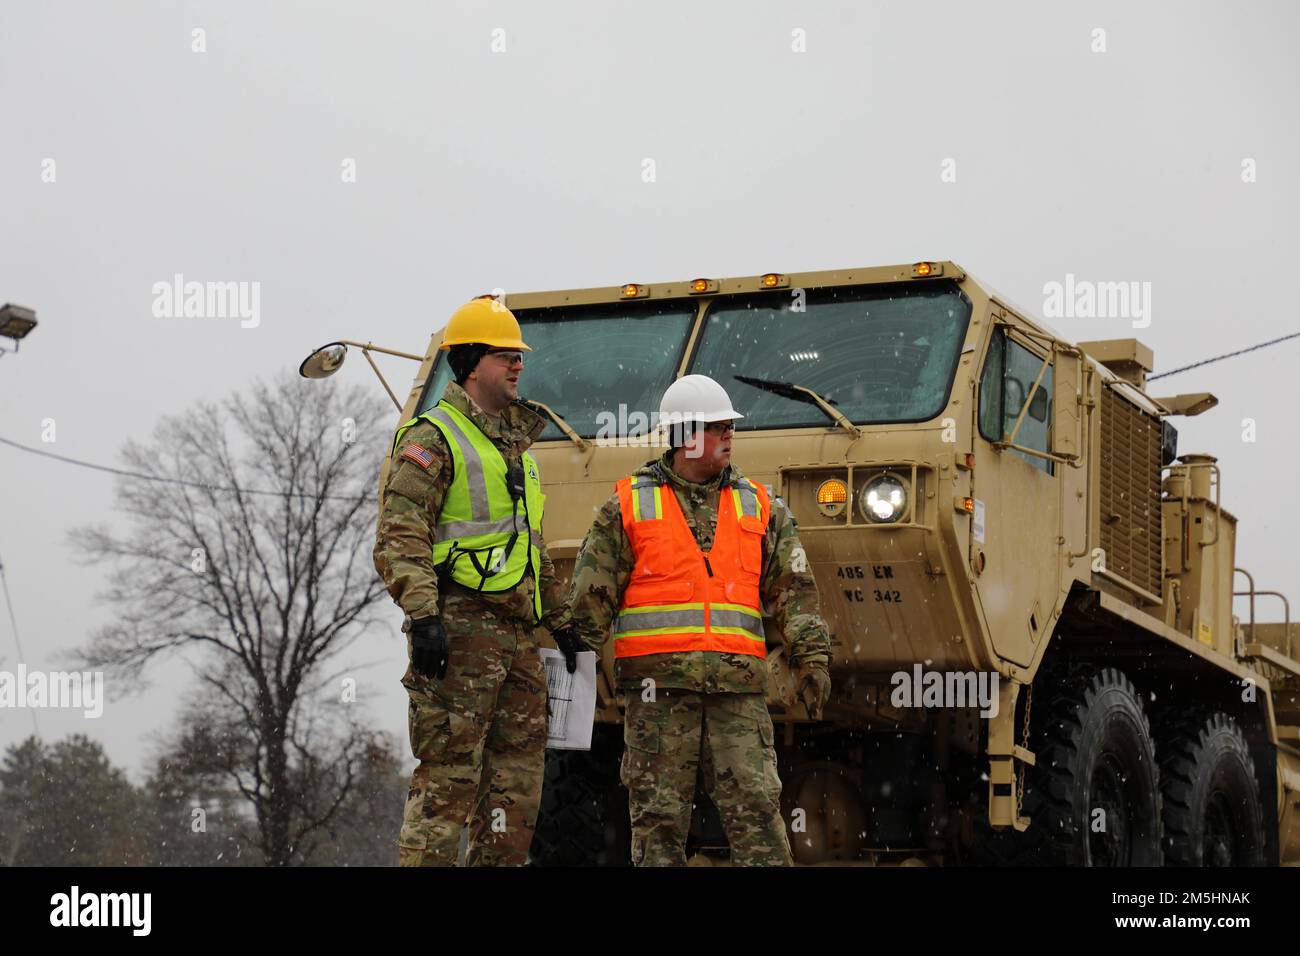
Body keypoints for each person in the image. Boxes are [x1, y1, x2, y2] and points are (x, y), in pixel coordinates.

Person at [559, 373, 832, 865]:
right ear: (686, 435)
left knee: (758, 818)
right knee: (658, 823)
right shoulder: (628, 506)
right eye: (718, 426)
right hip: (657, 697)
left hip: (739, 694)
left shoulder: (762, 507)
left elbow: (795, 592)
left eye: (731, 426)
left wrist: (813, 657)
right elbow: (589, 599)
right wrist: (569, 678)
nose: (730, 435)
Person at [373, 296, 585, 867]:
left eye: (519, 356)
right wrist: (424, 618)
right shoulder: (432, 437)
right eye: (504, 355)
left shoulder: (519, 448)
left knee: (516, 797)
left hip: (518, 641)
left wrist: (559, 623)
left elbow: (527, 549)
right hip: (458, 633)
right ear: (470, 364)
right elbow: (400, 537)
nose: (518, 365)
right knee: (447, 787)